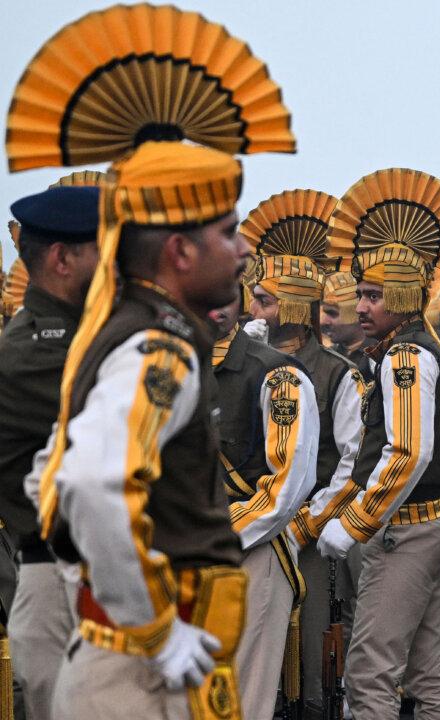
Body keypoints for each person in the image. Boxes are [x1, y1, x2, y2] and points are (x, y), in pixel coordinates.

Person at [30, 141, 250, 720]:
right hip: (142, 679)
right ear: (179, 251)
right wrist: (154, 629)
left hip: (132, 666)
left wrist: (96, 577)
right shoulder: (159, 348)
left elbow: (45, 479)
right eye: (228, 233)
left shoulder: (124, 328)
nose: (244, 250)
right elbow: (91, 483)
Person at [306, 167, 440, 719]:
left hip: (409, 530)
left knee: (371, 670)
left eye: (375, 295)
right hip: (428, 523)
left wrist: (353, 525)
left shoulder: (405, 356)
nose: (363, 306)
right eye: (361, 294)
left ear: (403, 295)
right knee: (429, 667)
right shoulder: (406, 351)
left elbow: (407, 453)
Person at [239, 188, 365, 715]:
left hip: (304, 533)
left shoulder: (339, 373)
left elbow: (351, 462)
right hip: (247, 530)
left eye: (265, 300)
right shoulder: (244, 364)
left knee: (311, 667)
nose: (254, 310)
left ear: (294, 305)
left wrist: (304, 524)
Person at [0, 183, 99, 720]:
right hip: (59, 577)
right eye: (101, 251)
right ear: (62, 258)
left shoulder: (84, 335)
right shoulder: (36, 351)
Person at [210, 291, 319, 720]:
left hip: (250, 550)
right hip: (176, 553)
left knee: (240, 701)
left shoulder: (276, 374)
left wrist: (215, 533)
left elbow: (289, 483)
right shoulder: (161, 367)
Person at [323, 270, 375, 382]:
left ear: (354, 313)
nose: (324, 321)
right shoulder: (327, 357)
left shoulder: (377, 356)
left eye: (333, 313)